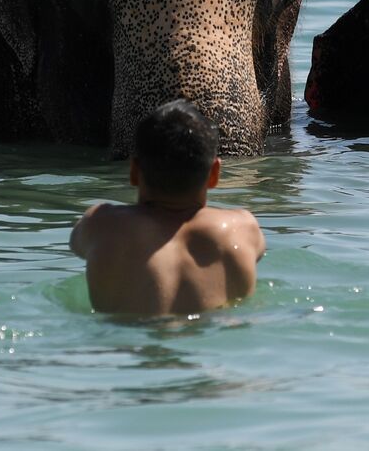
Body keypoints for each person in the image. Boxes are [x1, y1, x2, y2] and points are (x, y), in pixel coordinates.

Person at [70, 99, 265, 315]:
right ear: (214, 174)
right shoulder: (243, 229)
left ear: (134, 171)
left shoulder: (100, 224)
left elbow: (77, 245)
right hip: (211, 343)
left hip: (124, 343)